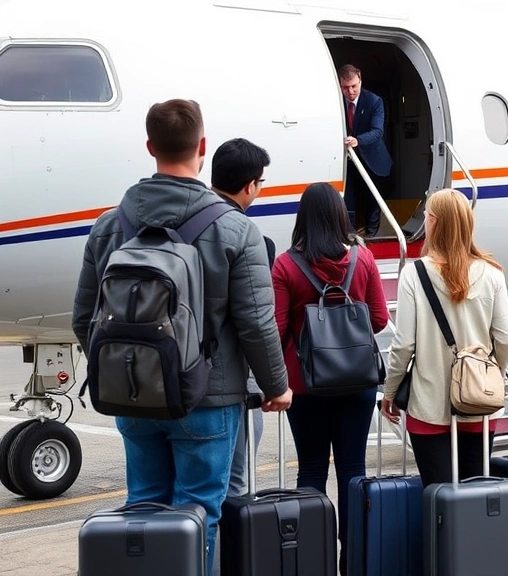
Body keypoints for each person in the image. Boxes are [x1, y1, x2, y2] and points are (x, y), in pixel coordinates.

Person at [71, 99, 292, 576]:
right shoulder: (236, 228)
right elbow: (256, 322)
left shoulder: (110, 225)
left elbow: (83, 317)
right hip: (207, 401)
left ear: (149, 147)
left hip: (134, 396)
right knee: (200, 518)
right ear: (203, 147)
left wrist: (127, 370)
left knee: (143, 510)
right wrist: (277, 386)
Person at [271, 182, 389, 572]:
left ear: (302, 217)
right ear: (341, 216)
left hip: (305, 384)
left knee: (311, 469)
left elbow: (278, 326)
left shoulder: (287, 265)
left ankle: (312, 559)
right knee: (353, 470)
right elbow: (378, 319)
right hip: (357, 380)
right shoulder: (363, 259)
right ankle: (353, 558)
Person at [380, 189, 508, 487]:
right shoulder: (492, 273)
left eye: (426, 216)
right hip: (479, 401)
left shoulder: (414, 274)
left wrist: (390, 393)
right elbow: (505, 337)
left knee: (438, 493)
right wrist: (493, 374)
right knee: (477, 492)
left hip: (429, 405)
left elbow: (404, 345)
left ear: (435, 223)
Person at [210, 137, 274, 498]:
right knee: (232, 487)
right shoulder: (248, 236)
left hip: (164, 381)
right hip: (227, 387)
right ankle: (225, 556)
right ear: (250, 185)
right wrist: (274, 384)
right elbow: (257, 322)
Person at [339, 64, 392, 237]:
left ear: (360, 80)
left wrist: (357, 140)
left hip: (371, 157)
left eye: (354, 86)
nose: (350, 91)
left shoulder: (374, 101)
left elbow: (377, 131)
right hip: (347, 160)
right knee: (348, 197)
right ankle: (351, 234)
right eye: (345, 88)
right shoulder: (336, 101)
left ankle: (372, 236)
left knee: (372, 197)